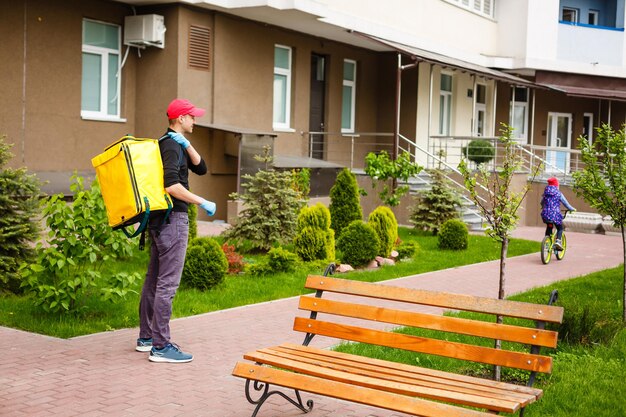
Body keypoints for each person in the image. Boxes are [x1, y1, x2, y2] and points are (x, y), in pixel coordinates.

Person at [136, 98, 216, 363]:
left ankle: (147, 338)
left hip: (160, 222)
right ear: (181, 118)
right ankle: (160, 346)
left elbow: (201, 168)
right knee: (166, 285)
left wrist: (188, 145)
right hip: (173, 221)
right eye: (192, 116)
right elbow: (172, 185)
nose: (195, 120)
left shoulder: (172, 143)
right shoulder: (171, 146)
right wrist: (202, 201)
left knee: (154, 280)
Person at [540, 177, 575, 251]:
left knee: (549, 226)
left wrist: (543, 207)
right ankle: (558, 241)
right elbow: (566, 204)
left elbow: (542, 202)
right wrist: (572, 209)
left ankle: (546, 243)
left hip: (545, 214)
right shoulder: (558, 193)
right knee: (560, 228)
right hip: (555, 214)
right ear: (556, 185)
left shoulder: (545, 193)